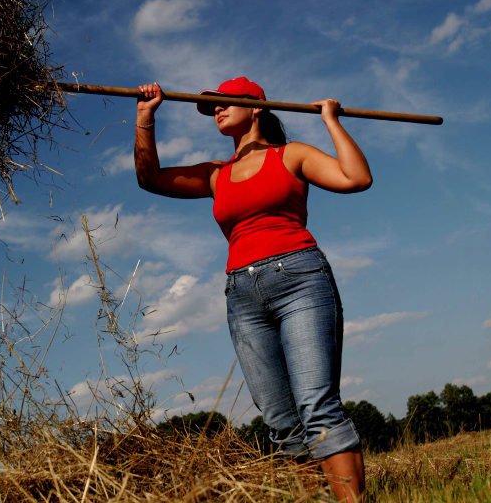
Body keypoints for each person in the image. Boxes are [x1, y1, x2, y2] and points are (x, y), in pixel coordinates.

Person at [134, 77, 371, 502]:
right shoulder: (215, 175)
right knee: (281, 420)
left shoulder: (291, 155)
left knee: (317, 406)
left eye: (225, 103)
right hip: (242, 295)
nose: (217, 112)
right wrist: (145, 118)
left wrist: (330, 120)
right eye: (212, 109)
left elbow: (356, 178)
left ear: (256, 107)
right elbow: (149, 179)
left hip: (300, 280)